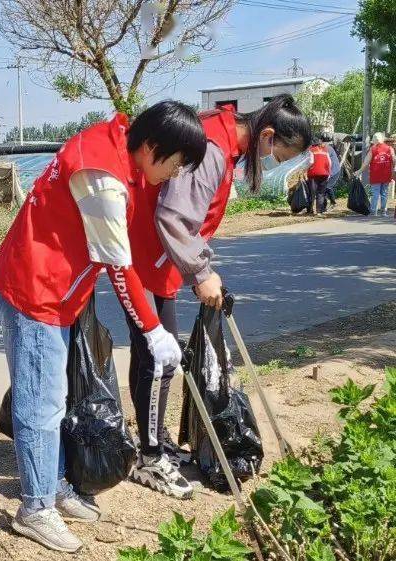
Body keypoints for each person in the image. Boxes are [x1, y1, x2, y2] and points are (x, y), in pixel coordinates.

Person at [0, 101, 207, 552]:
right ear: (151, 147)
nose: (173, 174)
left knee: (56, 396)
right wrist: (153, 330)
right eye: (175, 163)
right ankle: (35, 508)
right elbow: (119, 267)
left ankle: (52, 486)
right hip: (36, 288)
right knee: (40, 403)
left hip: (60, 288)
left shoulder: (118, 142)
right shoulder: (103, 181)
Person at [127, 94, 312, 490]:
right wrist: (200, 271)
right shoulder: (213, 147)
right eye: (283, 153)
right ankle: (148, 456)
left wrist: (201, 269)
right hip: (151, 260)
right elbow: (173, 216)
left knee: (152, 358)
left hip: (157, 261)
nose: (280, 162)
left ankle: (154, 442)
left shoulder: (222, 137)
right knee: (159, 362)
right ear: (267, 135)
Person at [356, 132, 396, 216]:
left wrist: (359, 171)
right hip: (386, 174)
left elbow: (366, 163)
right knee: (384, 193)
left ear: (374, 139)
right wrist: (393, 169)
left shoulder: (373, 149)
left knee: (375, 193)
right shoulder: (389, 148)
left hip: (375, 175)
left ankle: (374, 211)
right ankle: (383, 212)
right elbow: (394, 159)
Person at [306, 135, 333, 214]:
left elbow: (311, 162)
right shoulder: (325, 150)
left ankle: (310, 210)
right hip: (324, 174)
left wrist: (306, 168)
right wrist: (328, 173)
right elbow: (329, 163)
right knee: (321, 193)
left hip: (313, 174)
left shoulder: (311, 150)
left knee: (312, 192)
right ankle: (319, 211)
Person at [321, 132, 341, 209]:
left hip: (334, 172)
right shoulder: (326, 148)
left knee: (327, 187)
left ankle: (333, 203)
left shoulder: (328, 149)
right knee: (324, 188)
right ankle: (324, 206)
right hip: (329, 172)